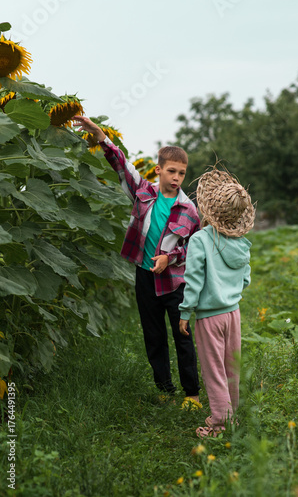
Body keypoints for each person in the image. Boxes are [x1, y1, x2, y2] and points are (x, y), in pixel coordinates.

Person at [72, 116, 201, 407]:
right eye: (171, 171)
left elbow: (194, 247)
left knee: (182, 337)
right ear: (159, 170)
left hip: (174, 282)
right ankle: (164, 390)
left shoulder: (190, 209)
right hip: (144, 276)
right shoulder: (143, 192)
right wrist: (102, 137)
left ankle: (192, 394)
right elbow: (121, 165)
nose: (176, 177)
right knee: (153, 336)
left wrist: (170, 258)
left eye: (181, 173)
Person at [179, 166, 255, 437]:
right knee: (230, 367)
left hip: (210, 317)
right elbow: (245, 280)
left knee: (213, 371)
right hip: (233, 313)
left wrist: (185, 311)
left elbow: (194, 281)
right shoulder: (242, 243)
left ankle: (220, 425)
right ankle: (231, 413)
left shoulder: (200, 240)